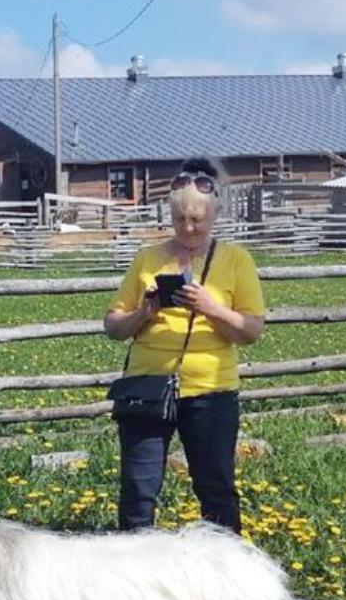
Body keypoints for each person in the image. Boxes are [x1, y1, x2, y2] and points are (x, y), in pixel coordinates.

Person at [103, 157, 267, 533]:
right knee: (138, 491)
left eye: (197, 220)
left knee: (215, 487)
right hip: (148, 388)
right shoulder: (148, 258)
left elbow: (252, 330)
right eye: (179, 220)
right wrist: (144, 311)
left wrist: (211, 308)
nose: (188, 228)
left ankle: (226, 569)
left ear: (215, 215)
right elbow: (113, 326)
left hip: (211, 391)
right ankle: (135, 571)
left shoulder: (237, 260)